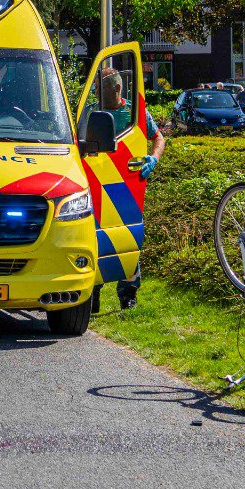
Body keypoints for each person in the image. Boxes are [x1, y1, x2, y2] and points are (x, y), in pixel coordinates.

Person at [95, 66, 165, 311]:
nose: (96, 94)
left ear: (117, 88)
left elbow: (158, 138)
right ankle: (92, 292)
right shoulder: (91, 112)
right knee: (95, 237)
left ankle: (128, 293)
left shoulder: (135, 113)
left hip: (125, 183)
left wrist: (153, 158)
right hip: (97, 181)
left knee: (127, 235)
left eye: (100, 89)